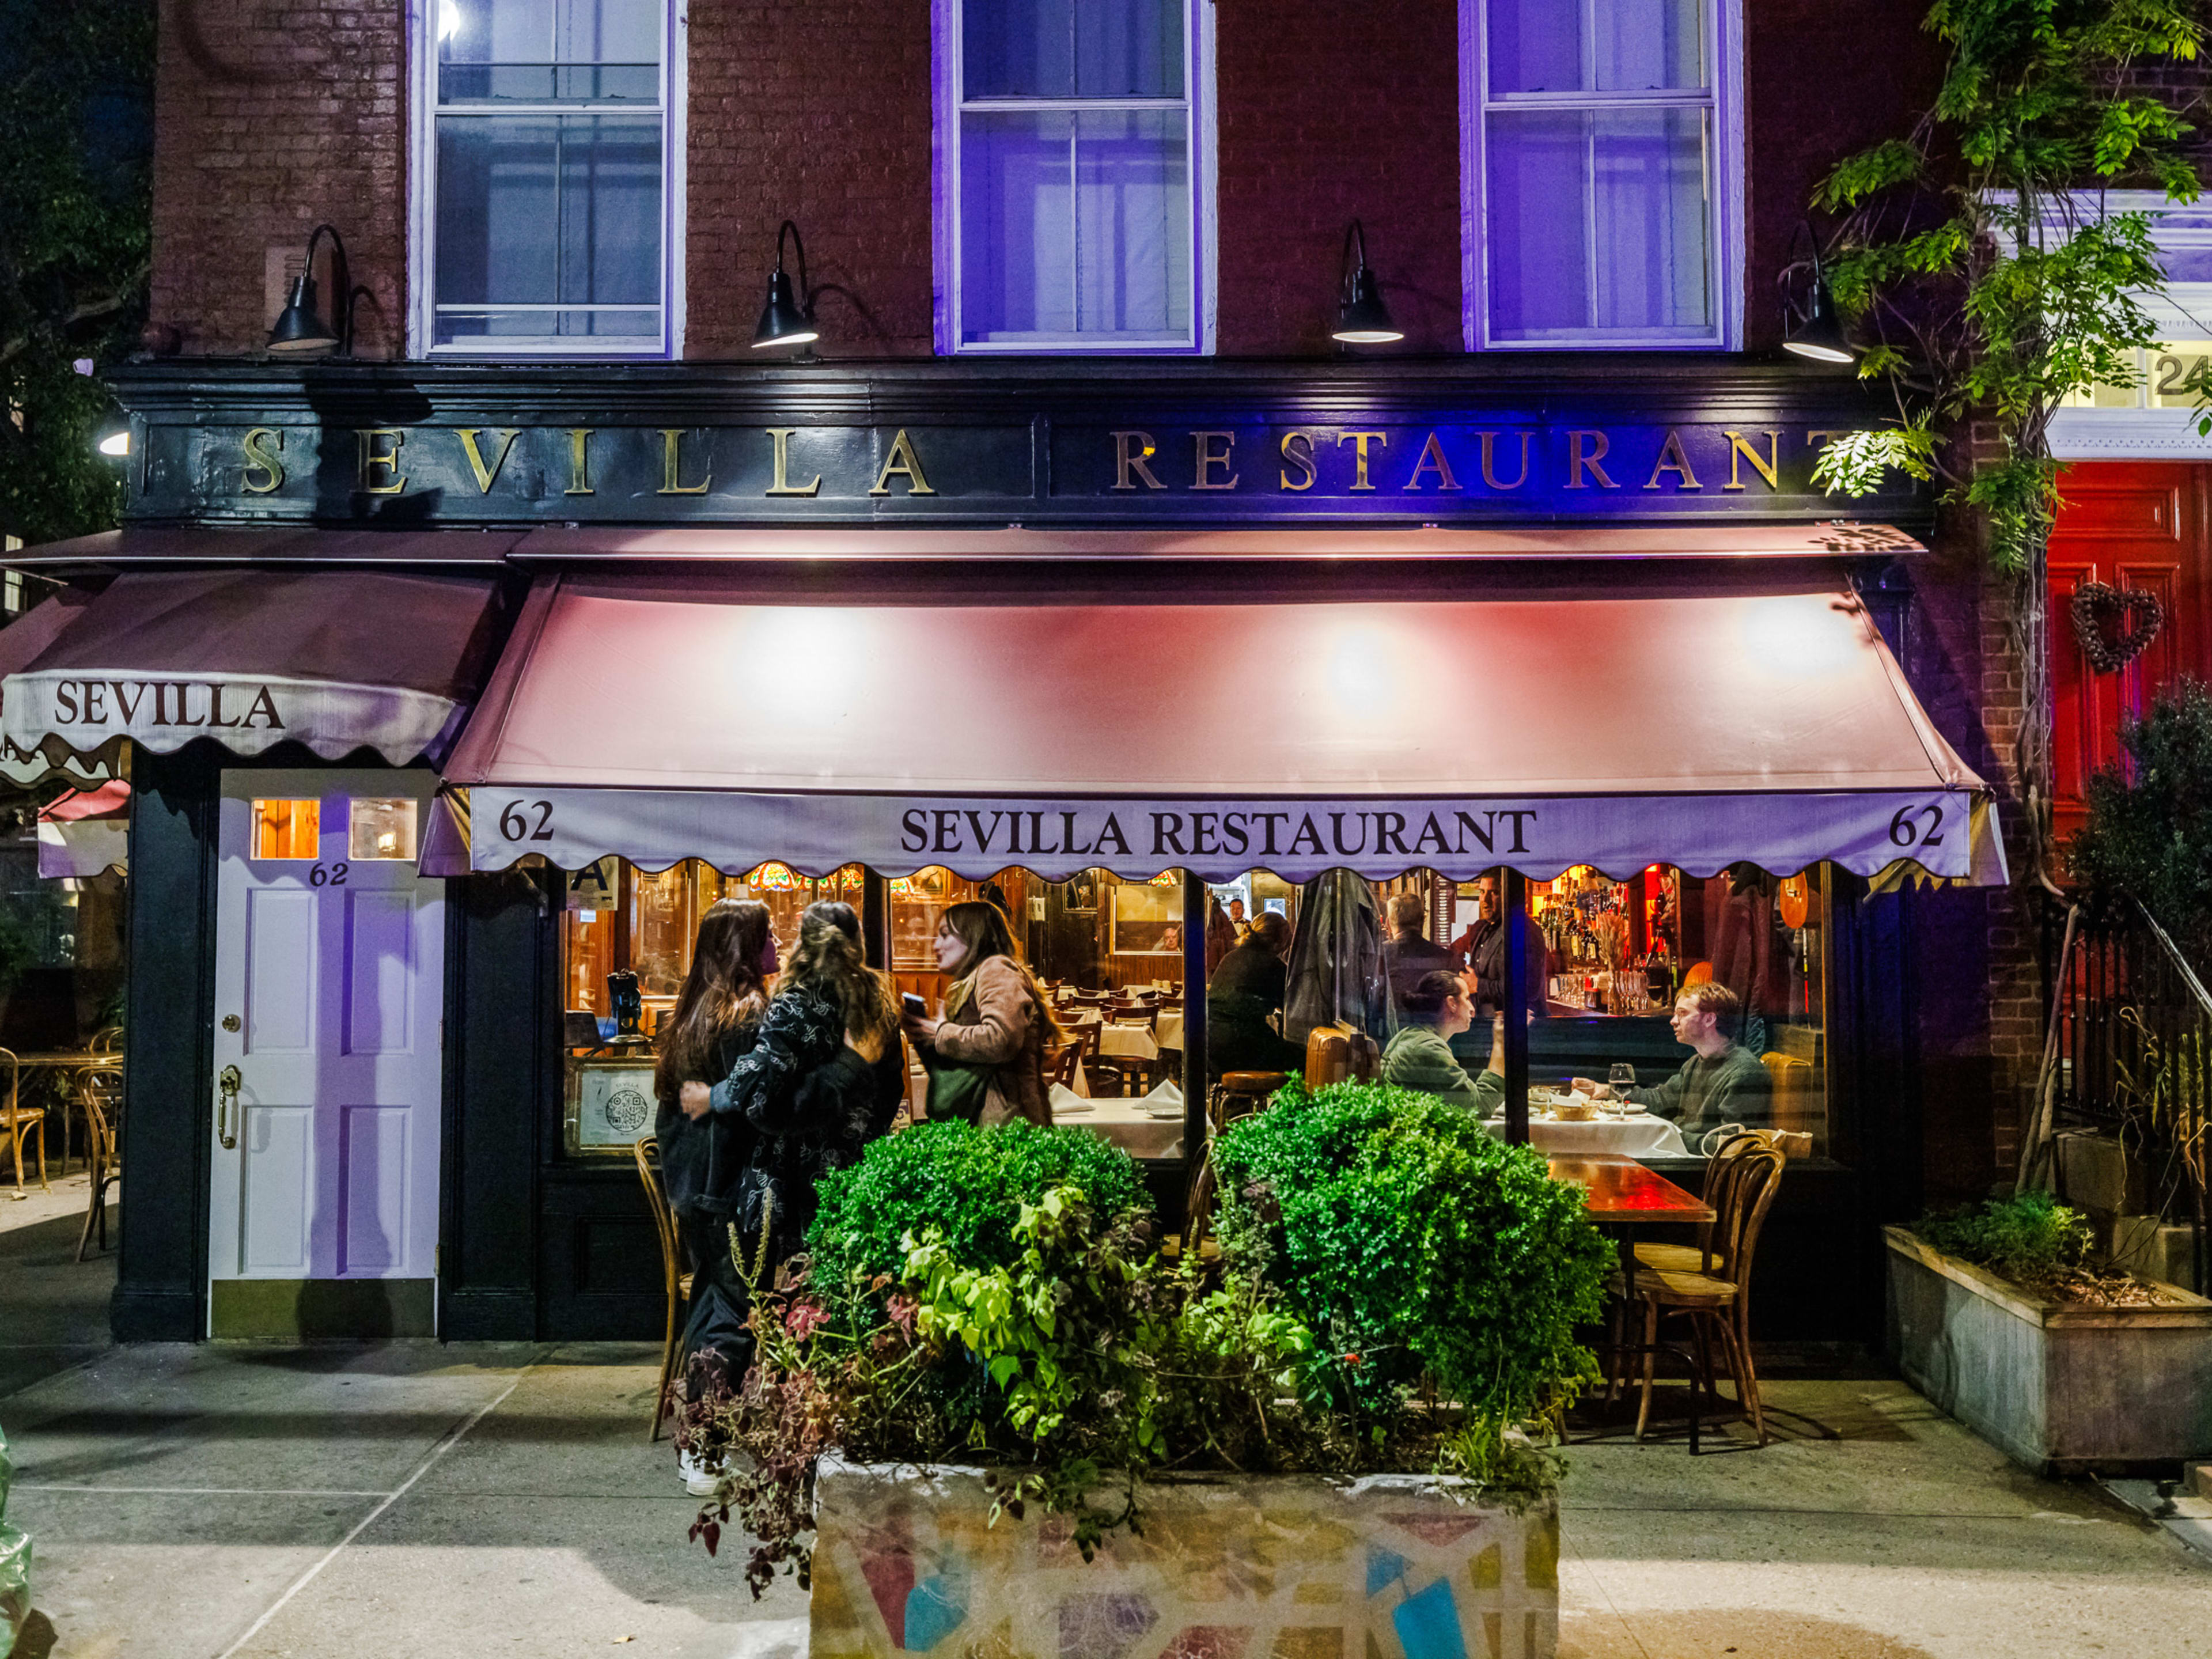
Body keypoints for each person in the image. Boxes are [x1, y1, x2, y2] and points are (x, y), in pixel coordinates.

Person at [683, 900, 905, 1328]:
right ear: (858, 943)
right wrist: (859, 1132)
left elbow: (759, 1098)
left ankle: (768, 1386)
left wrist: (714, 1097)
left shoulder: (793, 1005)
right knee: (843, 1303)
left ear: (805, 944)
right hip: (857, 1174)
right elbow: (890, 1091)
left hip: (788, 1188)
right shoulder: (879, 1002)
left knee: (771, 1309)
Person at [654, 900, 775, 1492]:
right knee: (731, 1312)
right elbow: (762, 1105)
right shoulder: (746, 1015)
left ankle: (700, 1439)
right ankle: (703, 1446)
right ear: (744, 947)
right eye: (766, 936)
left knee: (714, 1302)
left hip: (696, 1187)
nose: (775, 945)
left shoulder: (692, 1011)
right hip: (731, 1190)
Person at [903, 899, 1055, 1126]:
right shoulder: (975, 978)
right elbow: (958, 1074)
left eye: (944, 935)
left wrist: (943, 1032)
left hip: (1007, 1129)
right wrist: (925, 1038)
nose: (936, 946)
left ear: (973, 936)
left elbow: (1001, 1039)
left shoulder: (996, 969)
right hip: (987, 1126)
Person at [1573, 981, 1770, 1144]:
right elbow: (1661, 1100)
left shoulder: (1745, 1073)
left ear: (1710, 1019)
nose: (1673, 1021)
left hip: (1697, 1171)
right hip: (1680, 1154)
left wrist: (1672, 1135)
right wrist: (1607, 1091)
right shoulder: (1696, 1063)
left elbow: (1732, 1145)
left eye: (1683, 1014)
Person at [1381, 972, 1504, 1115]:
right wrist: (1501, 1043)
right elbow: (1479, 1106)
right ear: (1452, 1003)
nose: (1472, 1009)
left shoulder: (1409, 1036)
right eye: (1467, 998)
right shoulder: (1427, 1048)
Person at [1206, 909, 1304, 1077]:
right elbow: (1294, 1010)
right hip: (1242, 1046)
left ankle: (1240, 1101)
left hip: (1211, 1046)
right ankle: (1289, 1104)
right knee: (1306, 1059)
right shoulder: (1273, 965)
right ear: (1281, 940)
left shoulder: (1230, 957)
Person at [1453, 875, 1551, 1018]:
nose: (1485, 901)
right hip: (1489, 1024)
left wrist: (1478, 986)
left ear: (1509, 895)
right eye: (1482, 892)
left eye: (1494, 893)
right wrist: (1463, 976)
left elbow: (1528, 989)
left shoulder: (1525, 930)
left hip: (1521, 1029)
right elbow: (1453, 951)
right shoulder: (1482, 928)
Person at [1380, 893, 1459, 1009]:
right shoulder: (1446, 958)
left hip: (1391, 1026)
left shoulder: (1379, 955)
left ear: (1388, 923)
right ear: (1422, 921)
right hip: (1432, 1026)